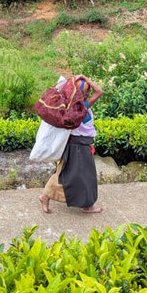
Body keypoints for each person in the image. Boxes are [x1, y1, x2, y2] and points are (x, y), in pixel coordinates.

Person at [39, 75, 104, 214]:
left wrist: (73, 82)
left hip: (75, 146)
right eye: (86, 92)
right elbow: (99, 91)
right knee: (85, 176)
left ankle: (45, 196)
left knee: (65, 173)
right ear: (84, 94)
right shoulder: (80, 108)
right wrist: (85, 78)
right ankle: (87, 206)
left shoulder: (69, 108)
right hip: (78, 147)